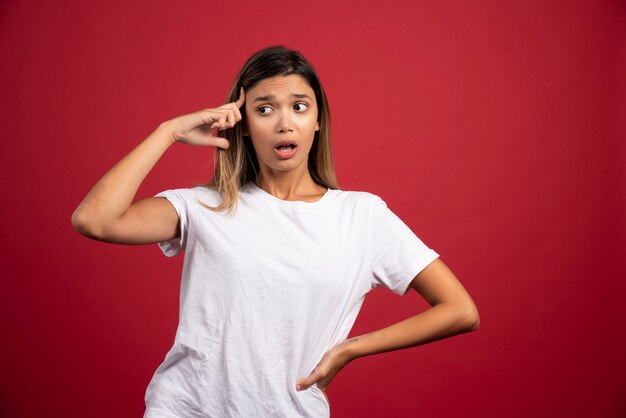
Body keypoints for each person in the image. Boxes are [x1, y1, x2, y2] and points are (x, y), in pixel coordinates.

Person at [72, 45, 480, 418]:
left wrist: (349, 350)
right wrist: (169, 132)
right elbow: (95, 220)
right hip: (183, 409)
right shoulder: (206, 206)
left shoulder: (362, 216)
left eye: (299, 107)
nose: (285, 123)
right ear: (244, 124)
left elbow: (460, 310)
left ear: (317, 120)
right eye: (264, 109)